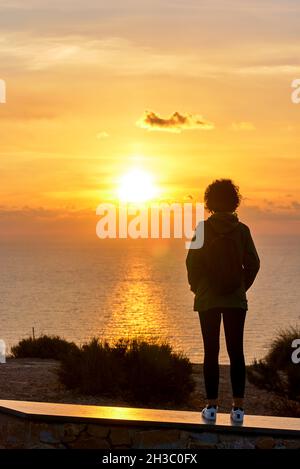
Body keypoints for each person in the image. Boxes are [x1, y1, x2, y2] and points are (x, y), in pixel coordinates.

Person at [186, 179, 260, 423]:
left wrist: (199, 288)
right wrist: (240, 287)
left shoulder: (202, 229)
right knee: (236, 351)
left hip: (207, 299)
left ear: (210, 202)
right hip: (235, 300)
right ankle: (238, 409)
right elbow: (253, 264)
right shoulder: (243, 231)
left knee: (211, 352)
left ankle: (211, 407)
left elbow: (191, 262)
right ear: (234, 201)